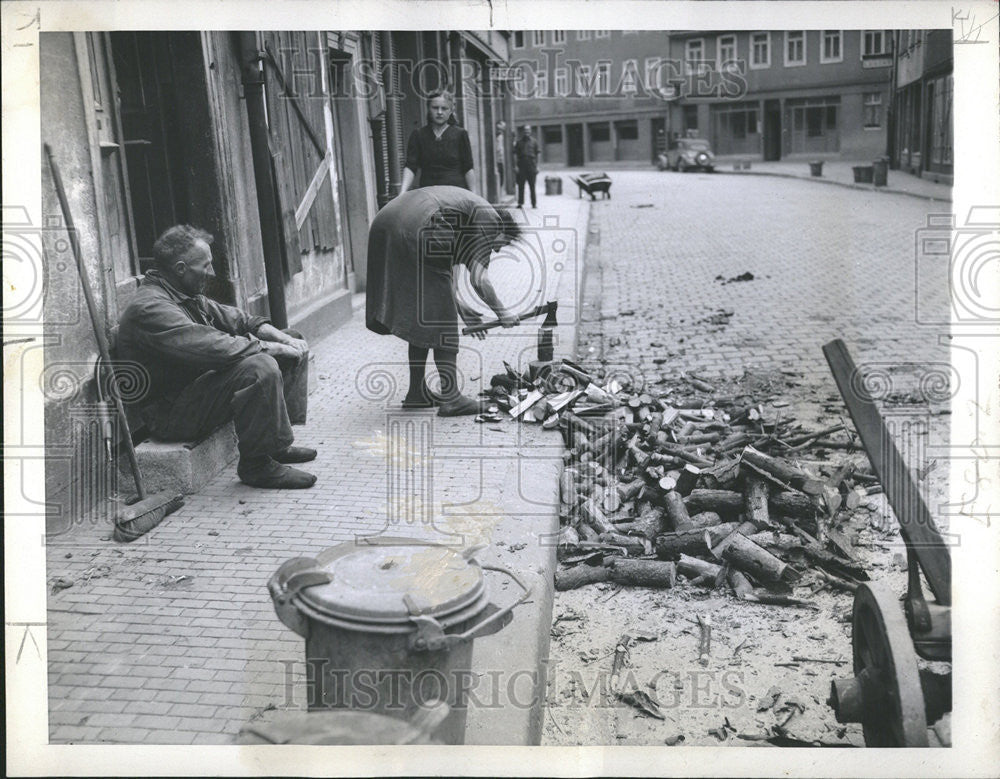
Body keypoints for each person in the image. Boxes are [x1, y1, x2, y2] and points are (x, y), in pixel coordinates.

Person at [117, 225, 317, 489]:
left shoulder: (180, 293)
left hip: (195, 393)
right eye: (206, 266)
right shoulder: (150, 308)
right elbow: (214, 347)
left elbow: (235, 318)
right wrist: (274, 348)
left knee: (289, 335)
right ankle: (256, 466)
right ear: (181, 269)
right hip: (171, 414)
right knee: (260, 365)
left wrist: (278, 336)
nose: (211, 273)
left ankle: (274, 444)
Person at [366, 186, 522, 416]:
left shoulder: (462, 219)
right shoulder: (490, 219)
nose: (497, 249)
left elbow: (438, 282)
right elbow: (479, 279)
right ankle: (452, 398)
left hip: (385, 222)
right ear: (501, 228)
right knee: (443, 322)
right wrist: (503, 313)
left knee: (423, 313)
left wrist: (461, 307)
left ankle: (416, 393)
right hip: (417, 226)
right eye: (503, 243)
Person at [399, 90, 476, 194]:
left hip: (456, 193)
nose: (439, 112)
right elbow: (410, 166)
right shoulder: (418, 135)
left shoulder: (460, 134)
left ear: (451, 110)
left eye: (444, 108)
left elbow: (468, 168)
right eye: (435, 108)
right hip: (429, 194)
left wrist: (474, 195)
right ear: (428, 109)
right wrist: (402, 192)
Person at [514, 124, 540, 209]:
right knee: (521, 185)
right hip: (521, 165)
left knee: (532, 185)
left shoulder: (534, 142)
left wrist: (537, 166)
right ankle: (520, 203)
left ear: (530, 131)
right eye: (525, 130)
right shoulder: (519, 142)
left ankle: (534, 203)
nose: (526, 132)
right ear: (523, 131)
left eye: (528, 130)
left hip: (531, 165)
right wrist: (516, 166)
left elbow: (538, 154)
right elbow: (515, 155)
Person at [495, 120, 507, 189]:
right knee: (500, 179)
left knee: (501, 179)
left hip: (500, 160)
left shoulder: (500, 136)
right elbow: (498, 149)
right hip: (498, 160)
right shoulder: (498, 136)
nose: (503, 128)